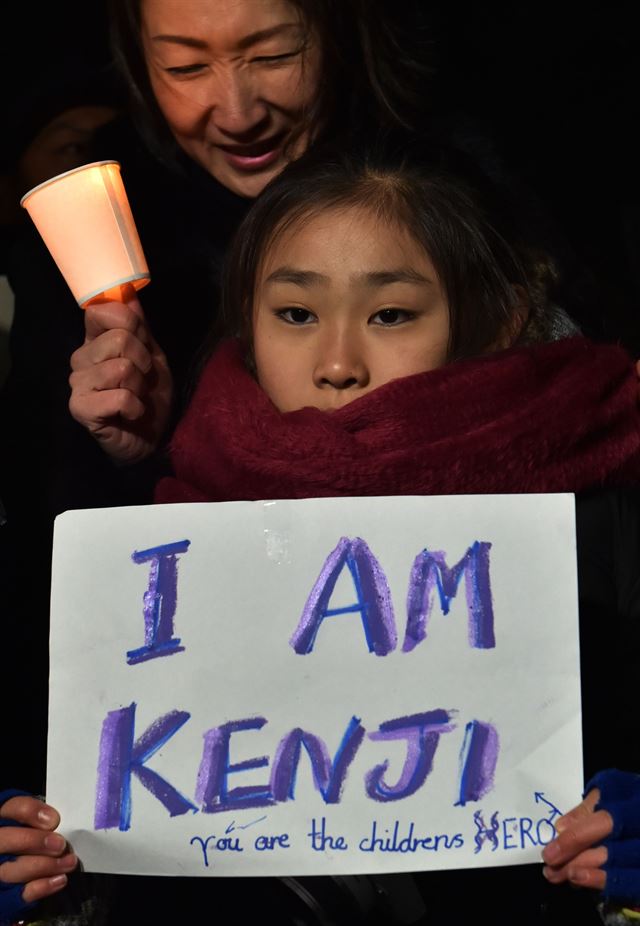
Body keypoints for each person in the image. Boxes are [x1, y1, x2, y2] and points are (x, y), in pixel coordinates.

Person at [11, 142, 640, 925]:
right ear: (248, 318)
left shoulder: (605, 506)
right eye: (297, 314)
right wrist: (42, 862)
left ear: (497, 318)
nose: (338, 363)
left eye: (391, 315)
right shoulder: (152, 518)